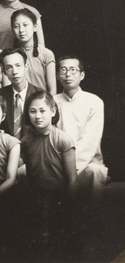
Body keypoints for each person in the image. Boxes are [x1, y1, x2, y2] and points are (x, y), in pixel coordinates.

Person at [54, 55, 108, 201]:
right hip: (57, 163)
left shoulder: (94, 102)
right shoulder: (52, 102)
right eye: (63, 70)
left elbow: (90, 141)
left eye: (73, 70)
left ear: (82, 75)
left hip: (86, 163)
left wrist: (69, 169)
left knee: (94, 172)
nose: (68, 74)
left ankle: (90, 223)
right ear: (57, 75)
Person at [21, 91, 76, 198]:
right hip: (34, 198)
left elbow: (72, 180)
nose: (37, 116)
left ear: (53, 111)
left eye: (42, 111)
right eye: (33, 111)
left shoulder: (63, 139)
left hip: (59, 198)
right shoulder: (26, 140)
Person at [0, 48, 43, 139]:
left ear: (26, 67)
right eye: (9, 67)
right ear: (4, 71)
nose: (15, 72)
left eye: (18, 65)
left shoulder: (40, 95)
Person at [11, 8, 56, 94]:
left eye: (25, 25)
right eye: (16, 26)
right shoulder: (11, 55)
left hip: (41, 103)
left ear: (35, 27)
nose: (21, 30)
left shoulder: (46, 54)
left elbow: (52, 91)